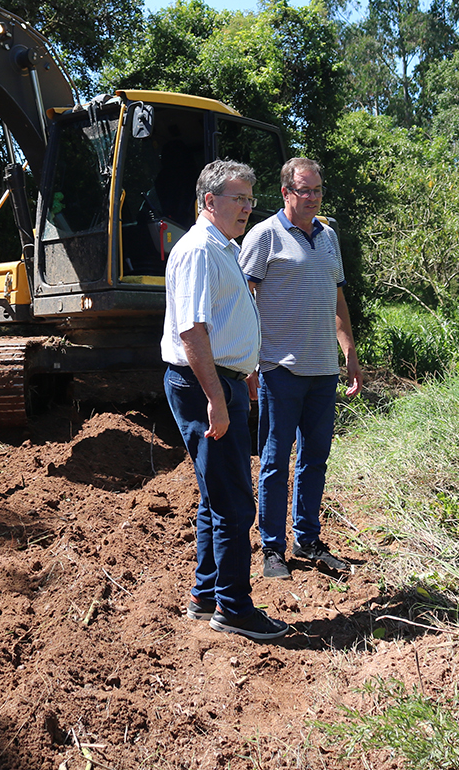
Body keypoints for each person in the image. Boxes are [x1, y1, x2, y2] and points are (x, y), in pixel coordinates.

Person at [162, 159, 291, 641]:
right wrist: (217, 395)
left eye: (251, 199)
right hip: (204, 385)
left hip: (222, 380)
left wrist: (246, 370)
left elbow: (222, 320)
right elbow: (192, 331)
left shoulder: (223, 247)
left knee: (217, 496)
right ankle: (235, 608)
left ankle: (208, 594)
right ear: (209, 201)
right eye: (239, 199)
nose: (248, 208)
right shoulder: (199, 250)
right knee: (236, 503)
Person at [239, 156, 363, 580]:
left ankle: (307, 539)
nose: (312, 198)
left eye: (317, 191)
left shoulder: (328, 238)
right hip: (279, 368)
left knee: (316, 458)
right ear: (286, 193)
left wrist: (349, 353)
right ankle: (272, 548)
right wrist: (249, 359)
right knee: (275, 460)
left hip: (323, 369)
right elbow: (242, 299)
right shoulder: (264, 236)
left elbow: (338, 300)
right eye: (303, 190)